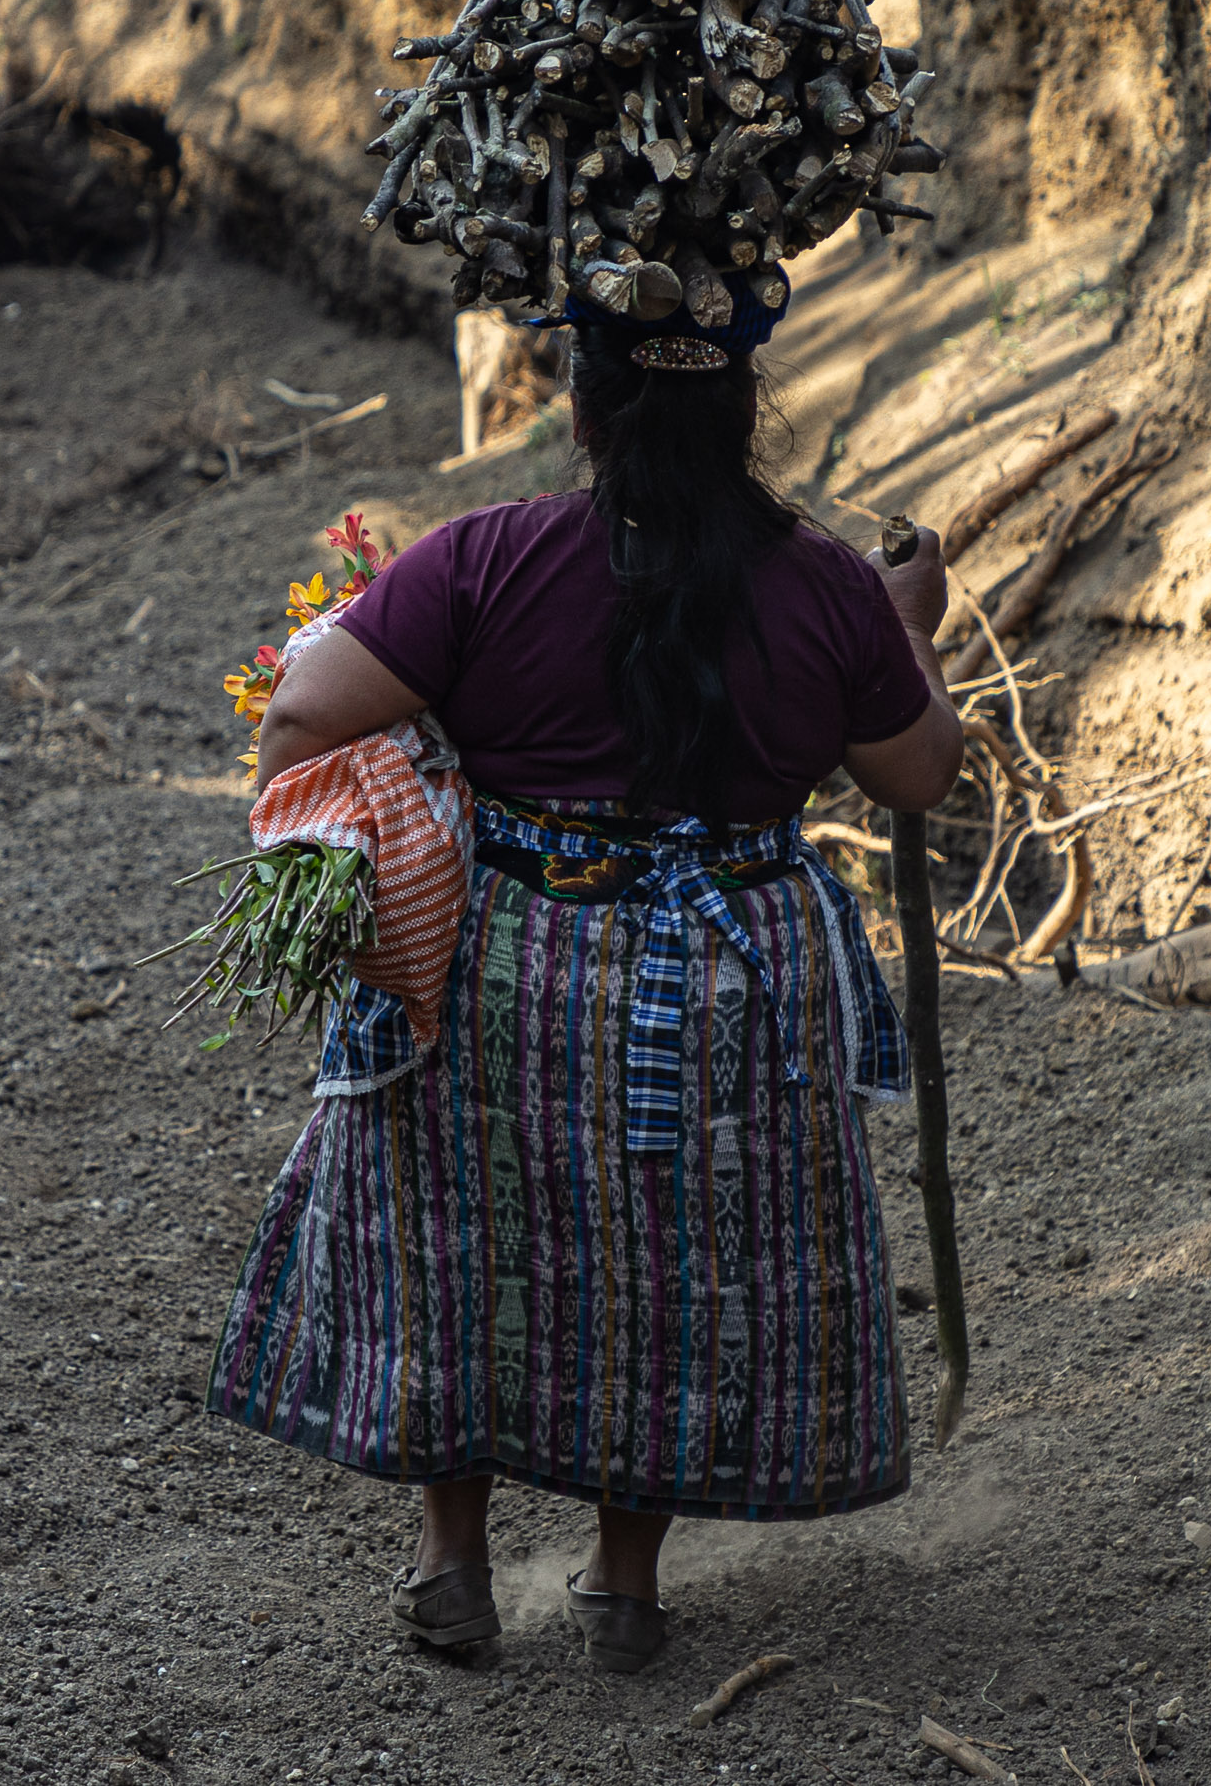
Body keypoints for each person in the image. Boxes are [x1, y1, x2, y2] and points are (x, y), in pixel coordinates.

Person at [203, 302, 965, 1672]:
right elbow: (916, 774)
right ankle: (622, 1582)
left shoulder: (488, 558)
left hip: (510, 962)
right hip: (732, 978)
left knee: (467, 1231)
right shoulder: (829, 588)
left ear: (582, 412)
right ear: (746, 416)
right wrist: (909, 626)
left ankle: (452, 1561)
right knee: (678, 1260)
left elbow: (303, 714)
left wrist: (414, 782)